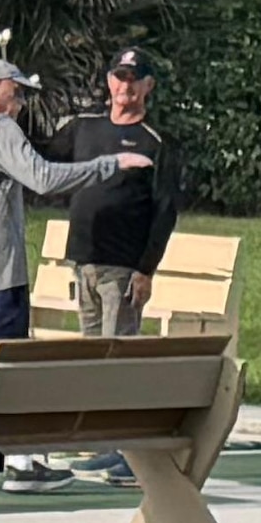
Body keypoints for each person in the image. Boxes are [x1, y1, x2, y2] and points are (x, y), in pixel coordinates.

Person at [0, 53, 148, 372]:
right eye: (16, 93)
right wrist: (111, 163)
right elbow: (42, 178)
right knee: (7, 369)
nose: (21, 103)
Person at [48, 43, 181, 333]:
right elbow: (43, 161)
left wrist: (146, 269)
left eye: (135, 78)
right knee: (90, 353)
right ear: (110, 81)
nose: (126, 85)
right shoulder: (83, 127)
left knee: (116, 353)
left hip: (123, 267)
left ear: (149, 85)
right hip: (83, 259)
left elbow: (165, 210)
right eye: (120, 77)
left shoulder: (156, 142)